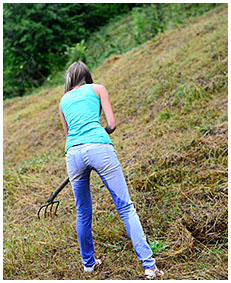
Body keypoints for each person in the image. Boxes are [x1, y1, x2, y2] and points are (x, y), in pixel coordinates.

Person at [59, 61, 164, 279]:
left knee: (83, 211)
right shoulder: (97, 89)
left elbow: (68, 133)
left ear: (69, 79)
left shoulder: (63, 100)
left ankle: (88, 264)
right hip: (99, 147)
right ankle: (149, 266)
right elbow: (112, 124)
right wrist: (101, 132)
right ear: (87, 75)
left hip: (73, 154)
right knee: (125, 207)